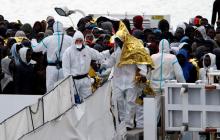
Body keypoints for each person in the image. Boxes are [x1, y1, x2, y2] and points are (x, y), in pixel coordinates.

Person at [62, 30, 113, 101]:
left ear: (83, 41)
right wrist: (69, 82)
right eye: (77, 40)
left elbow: (99, 55)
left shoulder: (87, 50)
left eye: (80, 40)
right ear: (74, 41)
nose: (79, 42)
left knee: (88, 100)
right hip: (74, 81)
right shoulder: (68, 52)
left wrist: (110, 51)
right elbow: (66, 69)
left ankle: (87, 112)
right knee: (73, 102)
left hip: (85, 80)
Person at [32, 21, 72, 92]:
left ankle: (51, 103)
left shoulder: (48, 39)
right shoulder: (70, 39)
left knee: (50, 92)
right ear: (62, 28)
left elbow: (35, 48)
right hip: (64, 68)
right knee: (65, 91)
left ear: (53, 28)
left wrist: (33, 40)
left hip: (51, 69)